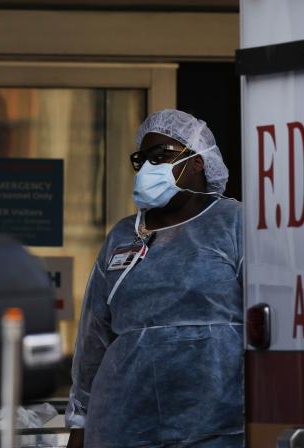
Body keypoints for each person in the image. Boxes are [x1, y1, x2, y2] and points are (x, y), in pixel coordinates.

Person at [65, 109, 244, 448]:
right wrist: (80, 421)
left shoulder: (235, 225)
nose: (149, 167)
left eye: (161, 156)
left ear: (198, 162)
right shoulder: (123, 236)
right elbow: (94, 337)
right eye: (142, 159)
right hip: (125, 426)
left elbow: (268, 325)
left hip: (216, 426)